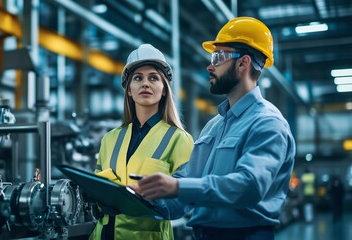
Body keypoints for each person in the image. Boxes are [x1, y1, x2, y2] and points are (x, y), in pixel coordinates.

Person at [132, 17, 296, 240]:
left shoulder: (267, 122)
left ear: (243, 63)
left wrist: (177, 187)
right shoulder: (214, 126)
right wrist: (143, 198)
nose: (210, 65)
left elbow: (249, 187)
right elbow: (184, 192)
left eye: (218, 57)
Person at [89, 44, 194, 239]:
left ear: (164, 90)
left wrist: (149, 201)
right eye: (138, 78)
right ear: (129, 89)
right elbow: (97, 193)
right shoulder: (109, 139)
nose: (145, 84)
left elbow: (183, 204)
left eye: (153, 78)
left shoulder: (180, 140)